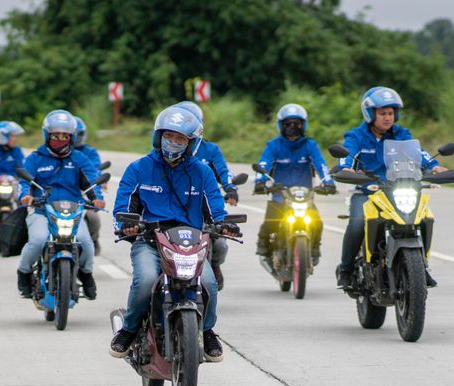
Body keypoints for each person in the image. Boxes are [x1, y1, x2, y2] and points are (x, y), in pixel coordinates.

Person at [109, 105, 238, 362]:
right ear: (158, 136)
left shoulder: (202, 172)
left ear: (192, 143)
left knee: (209, 284)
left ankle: (208, 329)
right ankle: (129, 329)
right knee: (145, 280)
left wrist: (224, 224)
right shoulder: (139, 168)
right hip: (150, 240)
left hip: (191, 241)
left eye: (181, 139)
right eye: (169, 136)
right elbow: (122, 206)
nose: (174, 142)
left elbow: (215, 207)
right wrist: (126, 224)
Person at [336, 87, 447, 289]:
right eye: (382, 113)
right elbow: (347, 156)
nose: (388, 118)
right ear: (370, 114)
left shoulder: (401, 134)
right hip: (368, 192)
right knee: (357, 223)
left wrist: (434, 166)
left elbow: (418, 153)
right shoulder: (356, 136)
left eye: (390, 113)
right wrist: (346, 169)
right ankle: (346, 269)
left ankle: (420, 268)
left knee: (424, 217)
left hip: (398, 190)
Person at [16, 110, 105, 301]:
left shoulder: (80, 158)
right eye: (56, 135)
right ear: (47, 135)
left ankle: (86, 274)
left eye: (65, 136)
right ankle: (23, 273)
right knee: (38, 240)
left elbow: (91, 182)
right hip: (41, 210)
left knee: (86, 242)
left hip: (72, 212)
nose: (60, 139)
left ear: (71, 137)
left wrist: (97, 197)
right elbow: (24, 182)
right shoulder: (35, 158)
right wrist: (25, 196)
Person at [254, 103, 335, 264]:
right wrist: (260, 182)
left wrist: (329, 182)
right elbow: (263, 165)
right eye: (288, 124)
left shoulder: (310, 145)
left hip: (305, 197)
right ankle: (263, 246)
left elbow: (321, 165)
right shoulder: (273, 146)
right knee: (270, 223)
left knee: (317, 223)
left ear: (303, 125)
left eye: (297, 123)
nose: (293, 127)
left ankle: (314, 248)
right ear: (280, 125)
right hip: (280, 196)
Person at [173, 100, 238, 290]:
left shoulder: (211, 150)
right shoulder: (167, 150)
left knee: (220, 245)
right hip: (176, 209)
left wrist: (230, 188)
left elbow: (224, 172)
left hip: (205, 209)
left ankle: (214, 267)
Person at [74, 116, 105, 255]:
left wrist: (100, 183)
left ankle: (93, 240)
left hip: (86, 190)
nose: (76, 137)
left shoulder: (90, 152)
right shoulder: (58, 154)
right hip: (67, 193)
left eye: (79, 134)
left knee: (93, 217)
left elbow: (94, 171)